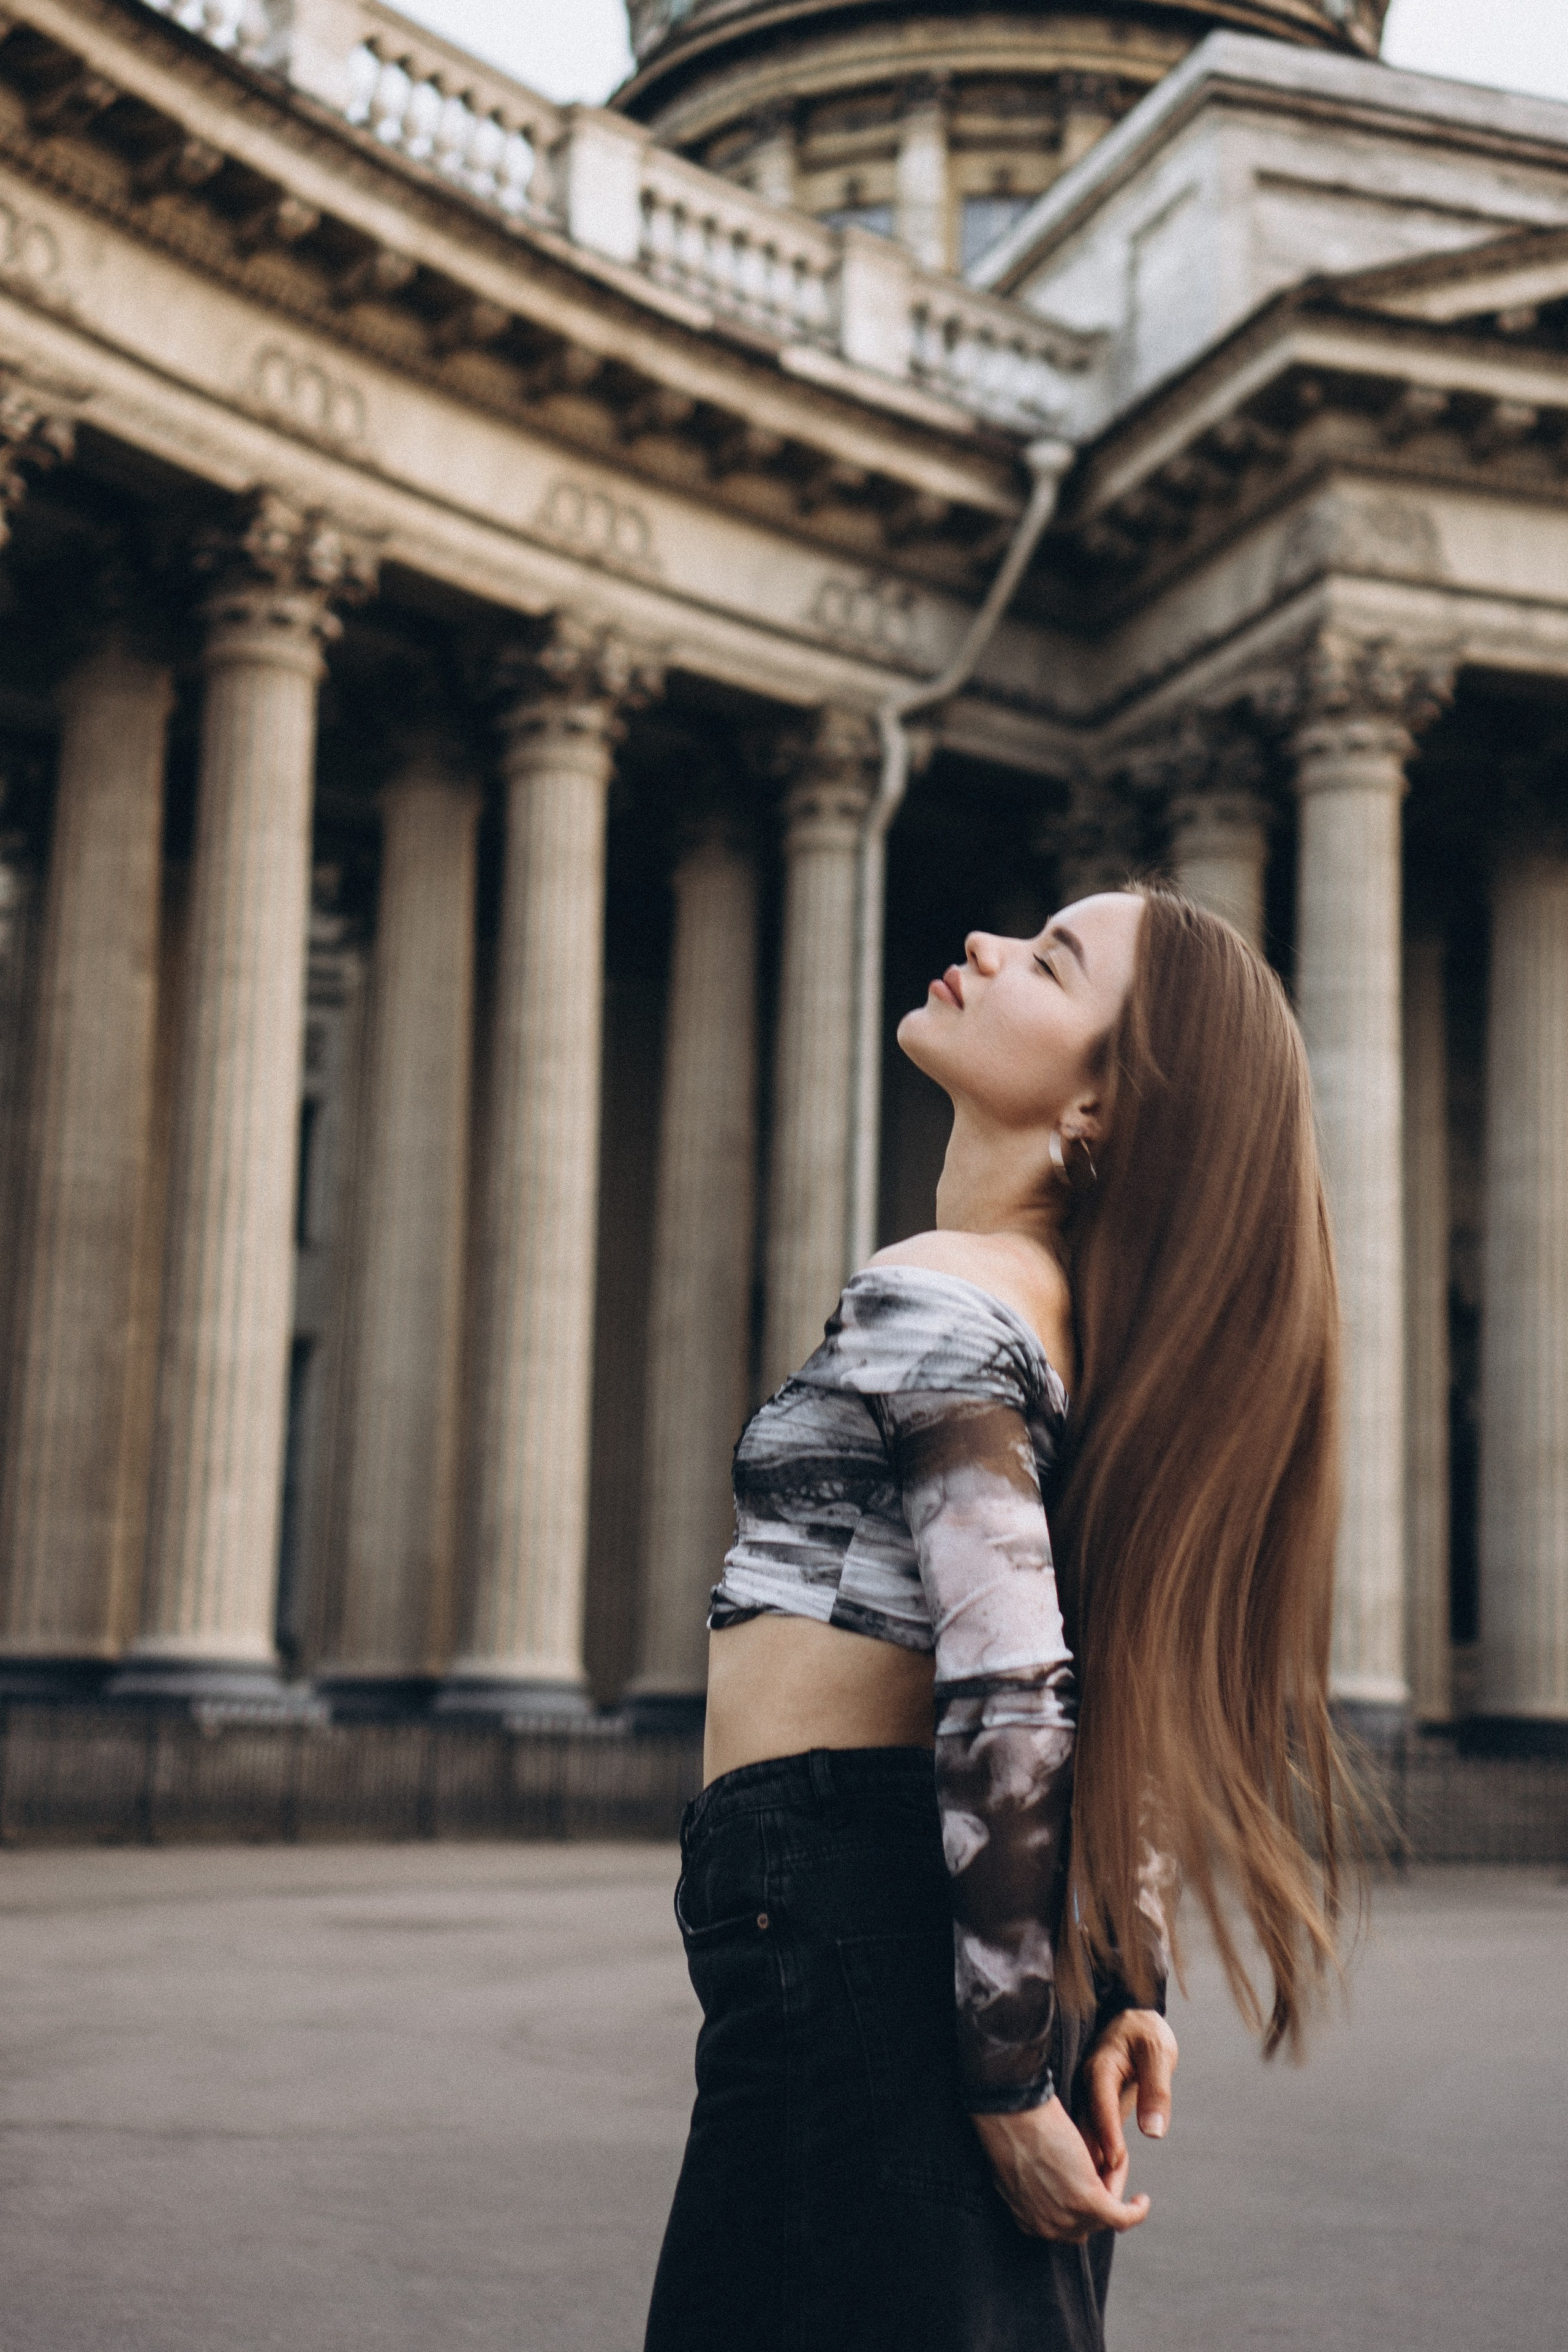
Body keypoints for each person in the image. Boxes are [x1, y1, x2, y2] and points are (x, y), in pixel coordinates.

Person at [644, 885, 1345, 2352]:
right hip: (961, 1930)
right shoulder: (1080, 1333)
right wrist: (1117, 1981)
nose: (983, 948)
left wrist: (1005, 2071)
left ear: (1099, 1104)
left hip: (862, 1929)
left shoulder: (941, 1293)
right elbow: (1118, 1665)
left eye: (1047, 961)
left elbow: (1012, 1684)